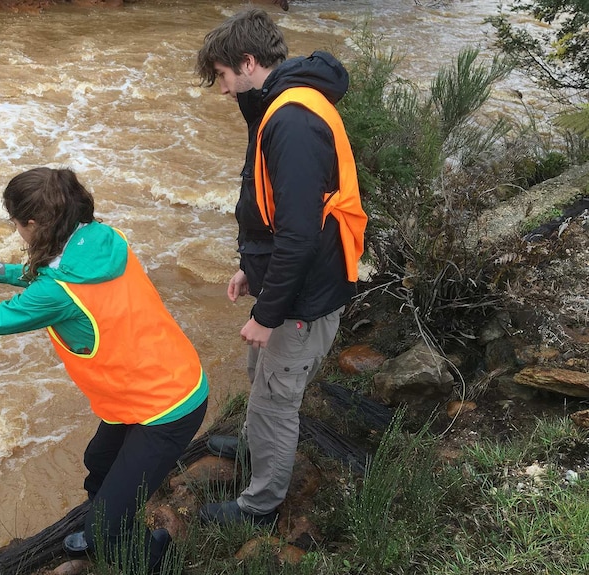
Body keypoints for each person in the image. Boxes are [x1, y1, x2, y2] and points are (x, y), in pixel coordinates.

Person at [0, 167, 208, 571]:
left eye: (16, 224)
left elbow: (0, 320)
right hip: (159, 380)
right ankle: (115, 526)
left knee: (104, 525)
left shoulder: (60, 290)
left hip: (168, 407)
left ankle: (153, 556)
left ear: (32, 224)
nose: (17, 232)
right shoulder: (100, 240)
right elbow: (48, 277)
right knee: (99, 461)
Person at [194, 9, 367, 527]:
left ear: (248, 63)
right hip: (295, 283)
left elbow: (299, 233)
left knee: (275, 400)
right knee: (260, 374)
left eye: (224, 76)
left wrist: (267, 315)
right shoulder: (284, 101)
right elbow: (279, 215)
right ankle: (251, 446)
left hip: (304, 297)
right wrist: (253, 269)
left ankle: (260, 505)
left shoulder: (290, 120)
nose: (224, 90)